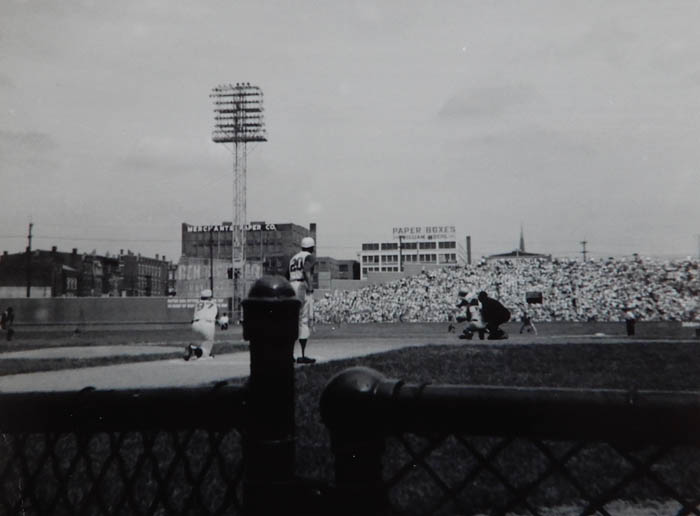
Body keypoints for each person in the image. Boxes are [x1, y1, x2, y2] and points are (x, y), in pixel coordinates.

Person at [289, 236, 317, 364]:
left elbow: (286, 274)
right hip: (301, 286)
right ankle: (303, 354)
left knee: (293, 320)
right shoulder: (309, 256)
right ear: (312, 247)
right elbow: (306, 270)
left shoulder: (293, 258)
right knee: (304, 320)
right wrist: (310, 286)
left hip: (291, 285)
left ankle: (289, 354)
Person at [185, 289, 218, 360]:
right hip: (208, 324)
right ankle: (198, 351)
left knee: (197, 342)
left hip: (196, 324)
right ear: (210, 297)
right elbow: (217, 315)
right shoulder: (213, 303)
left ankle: (193, 349)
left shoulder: (197, 303)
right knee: (207, 350)